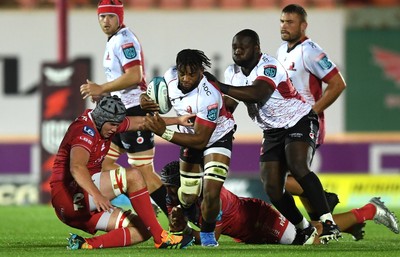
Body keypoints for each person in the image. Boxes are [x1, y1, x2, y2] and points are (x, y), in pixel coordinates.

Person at [204, 29, 341, 244]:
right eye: (234, 47)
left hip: (299, 119)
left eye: (243, 46)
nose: (238, 50)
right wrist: (207, 112)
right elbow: (229, 105)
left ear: (257, 49)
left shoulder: (269, 65)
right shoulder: (233, 72)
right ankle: (303, 228)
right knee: (272, 187)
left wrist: (219, 86)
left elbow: (258, 93)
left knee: (298, 166)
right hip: (272, 130)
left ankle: (328, 221)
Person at [50, 95, 195, 250]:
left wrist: (178, 121)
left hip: (76, 212)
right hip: (69, 195)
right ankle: (161, 237)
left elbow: (142, 122)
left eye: (117, 124)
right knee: (133, 176)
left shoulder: (106, 122)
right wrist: (97, 195)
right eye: (112, 125)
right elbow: (77, 168)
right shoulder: (85, 131)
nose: (115, 129)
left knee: (143, 229)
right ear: (100, 119)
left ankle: (84, 245)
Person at [161, 160, 399, 245]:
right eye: (167, 187)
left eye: (173, 185)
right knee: (311, 232)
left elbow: (210, 239)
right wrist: (179, 227)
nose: (170, 192)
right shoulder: (175, 197)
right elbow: (184, 231)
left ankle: (370, 209)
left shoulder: (212, 198)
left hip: (259, 220)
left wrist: (182, 231)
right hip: (247, 229)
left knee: (312, 240)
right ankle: (322, 203)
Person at [79, 0, 169, 216]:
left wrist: (102, 86)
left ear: (120, 17)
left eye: (111, 16)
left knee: (144, 171)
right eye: (102, 16)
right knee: (104, 163)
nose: (105, 21)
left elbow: (134, 76)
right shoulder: (113, 40)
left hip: (135, 109)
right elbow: (122, 79)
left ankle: (179, 218)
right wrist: (106, 94)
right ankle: (145, 198)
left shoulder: (125, 40)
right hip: (120, 111)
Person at [141, 49, 236, 247]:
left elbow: (202, 141)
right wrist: (145, 100)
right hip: (190, 138)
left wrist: (164, 132)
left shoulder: (209, 95)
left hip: (217, 138)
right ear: (177, 69)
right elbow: (150, 96)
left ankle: (208, 235)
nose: (185, 78)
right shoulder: (169, 77)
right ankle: (188, 224)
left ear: (201, 71)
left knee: (211, 192)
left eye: (191, 74)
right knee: (188, 195)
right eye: (182, 73)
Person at [276, 3, 347, 226]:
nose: (284, 26)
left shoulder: (311, 51)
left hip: (306, 125)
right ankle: (323, 222)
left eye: (290, 22)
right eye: (282, 21)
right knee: (282, 179)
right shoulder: (281, 50)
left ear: (303, 26)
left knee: (283, 179)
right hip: (285, 124)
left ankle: (323, 201)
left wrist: (311, 113)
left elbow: (337, 84)